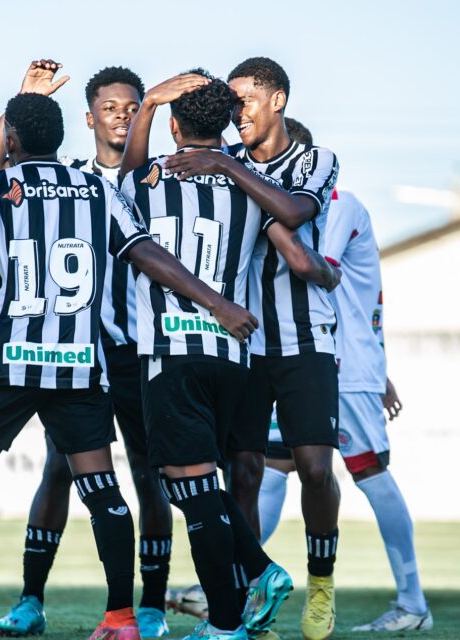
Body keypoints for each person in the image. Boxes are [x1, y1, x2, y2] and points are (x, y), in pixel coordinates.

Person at [0, 90, 257, 640]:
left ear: (12, 140)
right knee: (103, 491)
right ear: (63, 136)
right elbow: (147, 253)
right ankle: (121, 618)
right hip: (78, 366)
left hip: (10, 364)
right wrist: (217, 303)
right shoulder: (97, 189)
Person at [119, 69, 340, 640]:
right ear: (223, 124)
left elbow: (129, 189)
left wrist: (151, 103)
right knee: (200, 485)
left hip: (174, 349)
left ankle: (239, 603)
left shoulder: (146, 180)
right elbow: (288, 234)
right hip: (234, 356)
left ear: (173, 126)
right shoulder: (251, 186)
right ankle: (242, 595)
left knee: (192, 487)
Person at [0, 60, 174, 638]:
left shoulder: (159, 177)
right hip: (79, 351)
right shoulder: (71, 177)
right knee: (59, 470)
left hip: (139, 352)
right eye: (110, 108)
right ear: (88, 119)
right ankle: (31, 599)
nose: (122, 117)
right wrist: (21, 103)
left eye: (133, 108)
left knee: (148, 474)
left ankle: (151, 606)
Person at [255, 118, 432, 632]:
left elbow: (315, 268)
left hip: (345, 364)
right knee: (273, 465)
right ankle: (233, 580)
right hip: (307, 357)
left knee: (368, 473)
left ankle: (413, 603)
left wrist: (376, 367)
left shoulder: (338, 203)